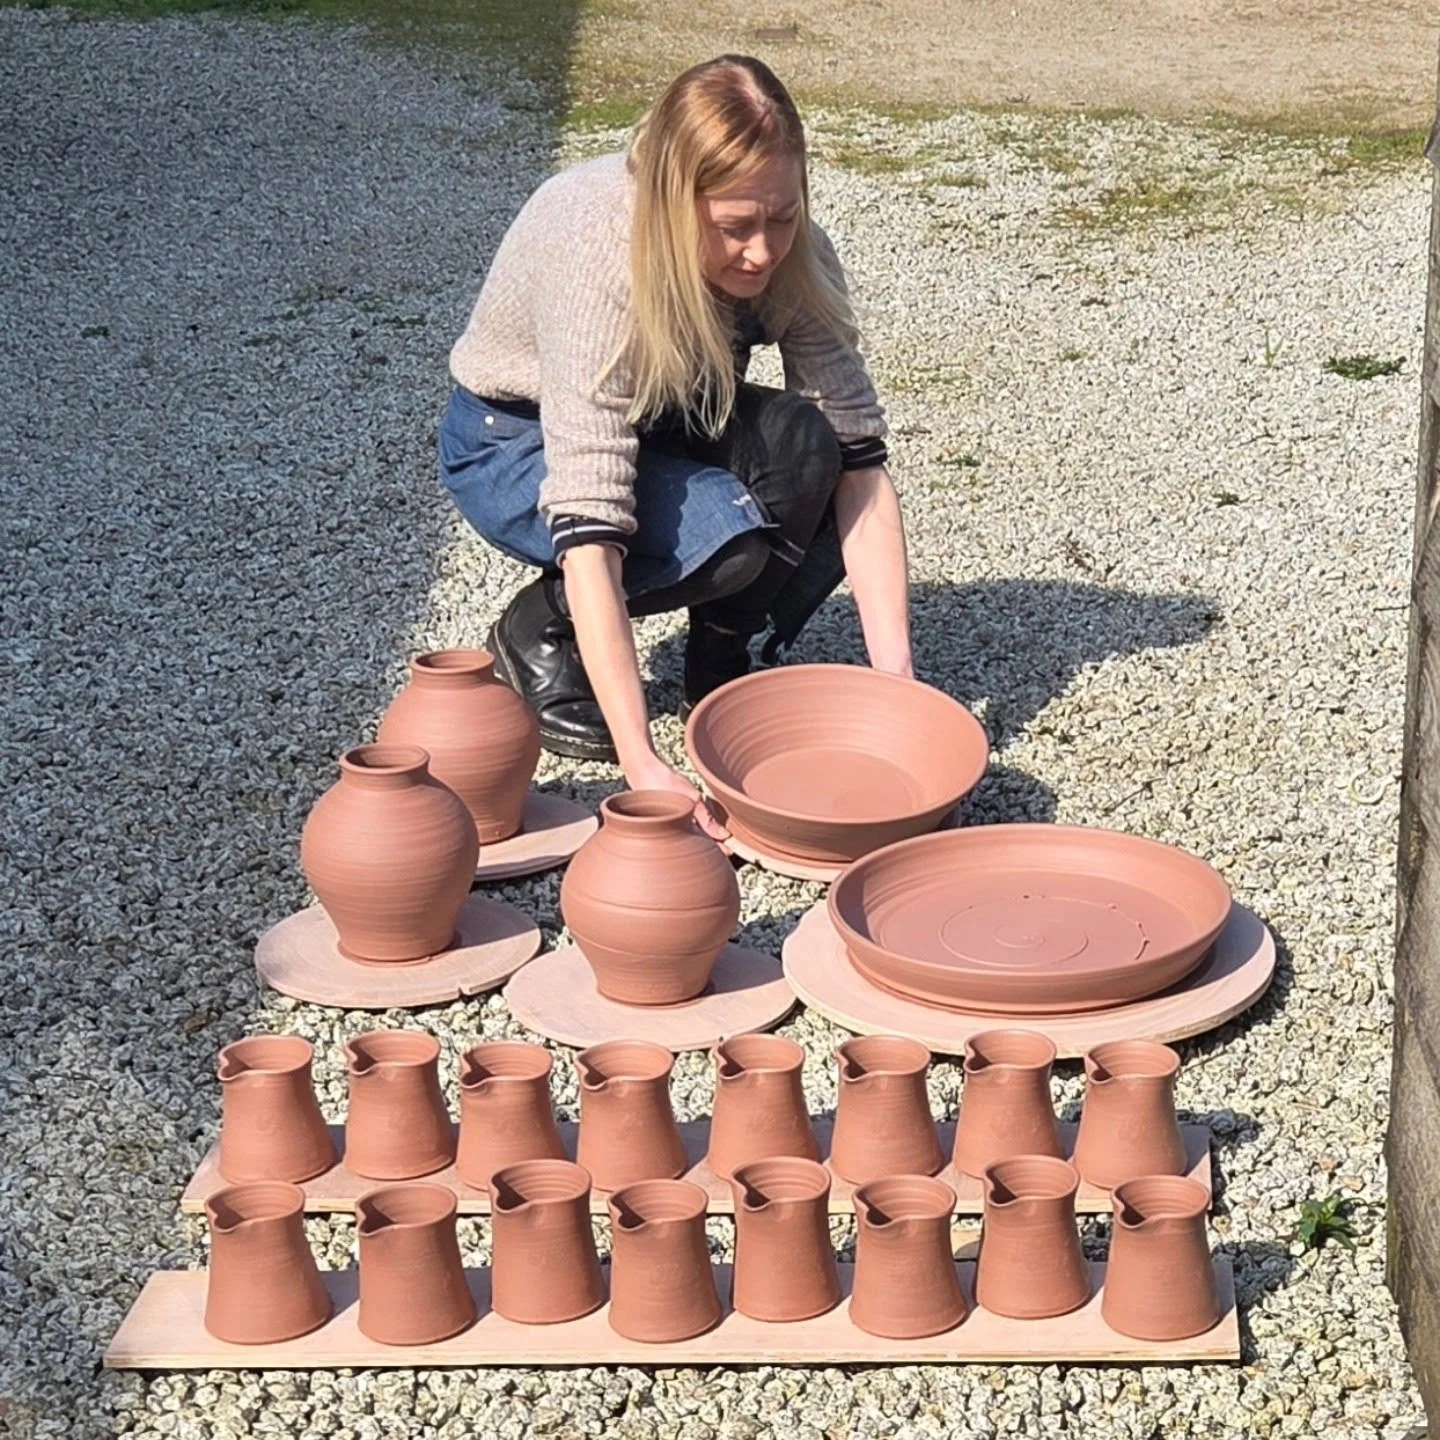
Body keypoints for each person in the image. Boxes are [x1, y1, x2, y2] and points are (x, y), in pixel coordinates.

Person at [439, 54, 911, 835]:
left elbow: (860, 460)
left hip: (666, 409)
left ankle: (719, 662)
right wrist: (643, 762)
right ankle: (538, 630)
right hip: (513, 439)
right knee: (728, 542)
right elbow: (592, 519)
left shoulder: (788, 245)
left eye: (783, 217)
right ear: (671, 203)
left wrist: (898, 679)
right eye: (733, 228)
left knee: (807, 445)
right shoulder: (598, 256)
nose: (762, 251)